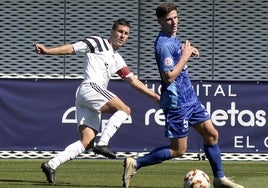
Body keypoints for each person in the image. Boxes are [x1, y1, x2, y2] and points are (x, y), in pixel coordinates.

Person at [122, 3, 244, 188]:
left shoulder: (171, 38)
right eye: (169, 19)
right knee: (178, 150)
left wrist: (183, 49)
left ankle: (219, 179)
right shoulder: (162, 45)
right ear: (160, 21)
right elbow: (168, 77)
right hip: (177, 103)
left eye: (176, 17)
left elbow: (174, 50)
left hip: (191, 99)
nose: (174, 22)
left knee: (211, 134)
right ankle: (136, 163)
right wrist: (185, 55)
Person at [35, 18, 160, 183]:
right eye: (120, 32)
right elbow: (72, 48)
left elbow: (132, 80)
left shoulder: (117, 58)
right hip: (90, 87)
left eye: (126, 34)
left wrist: (155, 96)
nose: (122, 36)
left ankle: (51, 164)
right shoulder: (97, 42)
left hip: (87, 95)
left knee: (86, 142)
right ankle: (103, 143)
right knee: (125, 110)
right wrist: (48, 51)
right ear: (112, 32)